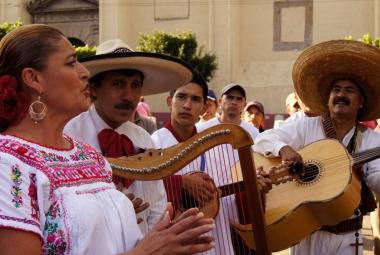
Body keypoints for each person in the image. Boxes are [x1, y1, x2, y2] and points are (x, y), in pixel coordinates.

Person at [0, 24, 215, 254]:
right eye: (71, 62)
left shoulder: (90, 156)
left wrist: (163, 239)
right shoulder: (8, 164)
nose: (84, 72)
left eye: (136, 86)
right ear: (33, 78)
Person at [253, 39, 380, 255]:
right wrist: (284, 149)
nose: (341, 94)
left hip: (348, 239)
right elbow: (262, 140)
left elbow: (377, 179)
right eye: (336, 90)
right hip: (305, 233)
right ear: (328, 99)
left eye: (349, 90)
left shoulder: (370, 140)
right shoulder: (305, 125)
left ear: (361, 102)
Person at [197, 83, 260, 254]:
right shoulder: (202, 130)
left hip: (241, 207)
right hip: (209, 203)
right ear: (220, 101)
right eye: (229, 97)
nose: (234, 101)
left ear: (243, 104)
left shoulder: (254, 134)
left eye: (238, 98)